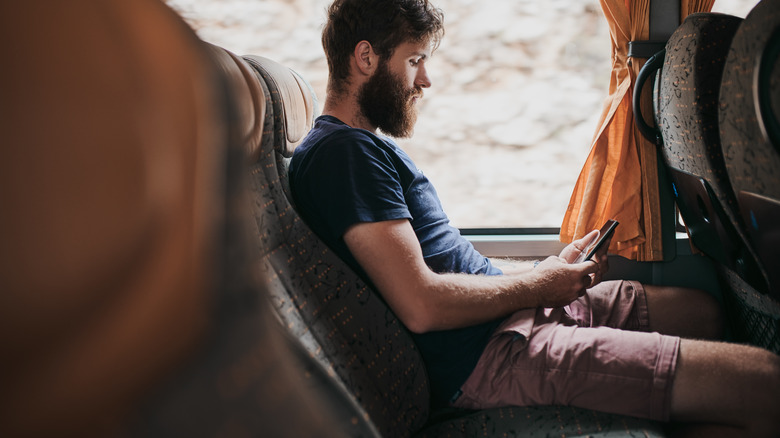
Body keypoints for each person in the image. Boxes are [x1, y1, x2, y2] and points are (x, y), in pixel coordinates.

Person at [288, 0, 780, 435]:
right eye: (414, 61)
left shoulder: (358, 148)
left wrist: (548, 270)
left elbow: (445, 267)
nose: (425, 79)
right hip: (487, 358)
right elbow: (421, 303)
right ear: (366, 57)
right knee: (765, 384)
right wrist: (539, 287)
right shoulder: (343, 155)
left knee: (702, 311)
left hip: (507, 317)